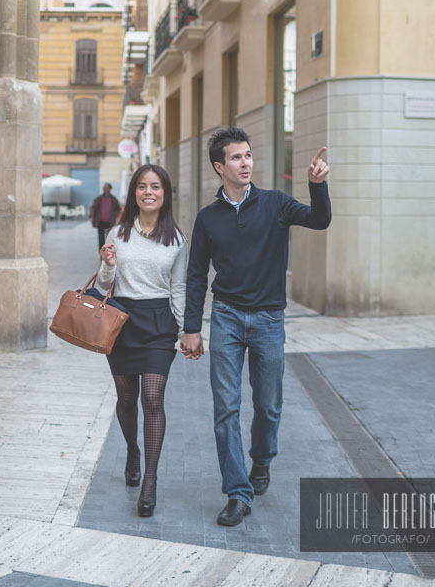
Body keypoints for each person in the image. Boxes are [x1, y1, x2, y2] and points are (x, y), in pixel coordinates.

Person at [181, 127, 330, 527]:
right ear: (219, 166)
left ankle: (261, 461)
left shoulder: (275, 204)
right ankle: (237, 492)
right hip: (226, 318)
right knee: (226, 408)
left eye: (248, 156)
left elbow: (319, 220)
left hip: (268, 320)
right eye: (236, 157)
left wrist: (318, 185)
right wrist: (191, 327)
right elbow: (196, 276)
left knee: (267, 405)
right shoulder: (208, 218)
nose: (245, 162)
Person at [97, 165, 192, 518]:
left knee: (152, 398)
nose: (148, 192)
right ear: (133, 193)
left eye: (155, 186)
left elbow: (179, 288)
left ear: (165, 193)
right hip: (122, 322)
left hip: (158, 324)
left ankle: (149, 479)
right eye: (141, 186)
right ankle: (132, 451)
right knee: (126, 398)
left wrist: (185, 331)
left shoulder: (177, 240)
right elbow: (103, 283)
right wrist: (106, 264)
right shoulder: (116, 233)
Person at [90, 183, 122, 250]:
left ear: (110, 189)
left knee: (109, 238)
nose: (105, 189)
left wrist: (115, 216)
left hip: (109, 222)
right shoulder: (99, 198)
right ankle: (101, 253)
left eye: (107, 188)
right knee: (101, 239)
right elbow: (93, 207)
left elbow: (118, 209)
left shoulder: (113, 199)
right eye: (104, 187)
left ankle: (108, 252)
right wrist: (92, 215)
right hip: (100, 221)